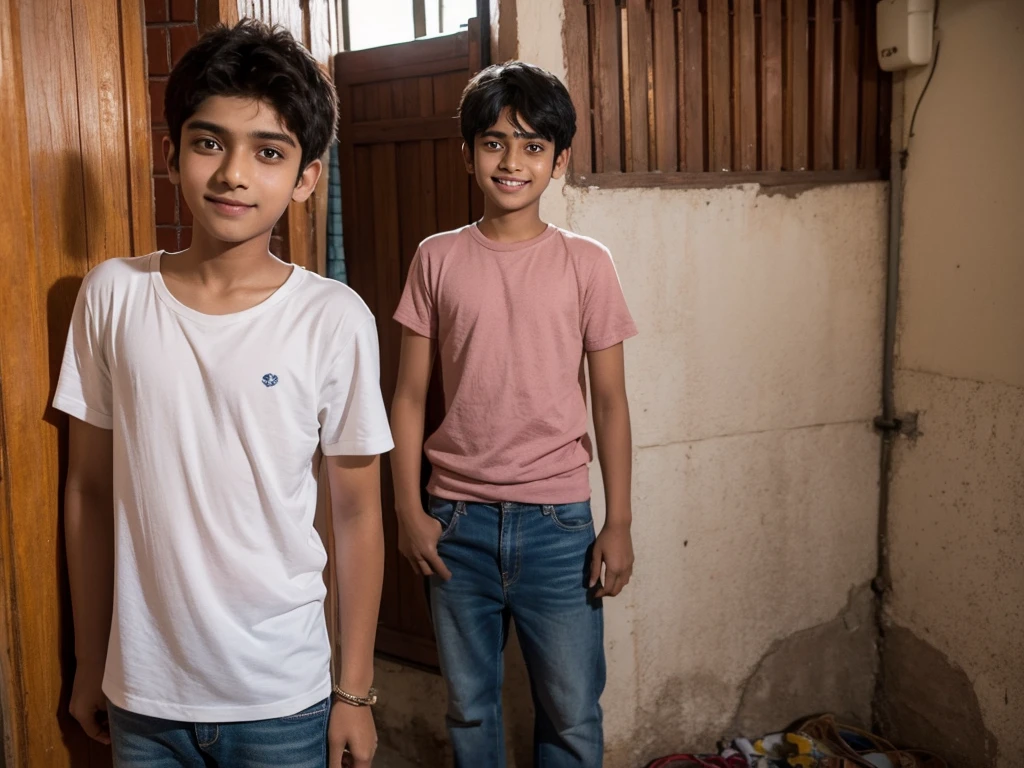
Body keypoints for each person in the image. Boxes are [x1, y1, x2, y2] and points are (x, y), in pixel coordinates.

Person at [55, 20, 392, 768]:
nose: (234, 172)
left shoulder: (333, 318)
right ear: (171, 152)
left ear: (305, 178)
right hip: (143, 695)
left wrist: (355, 691)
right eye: (210, 142)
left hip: (284, 696)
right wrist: (87, 662)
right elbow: (85, 489)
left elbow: (358, 512)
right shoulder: (113, 294)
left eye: (268, 152)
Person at [390, 61, 638, 767]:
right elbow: (408, 396)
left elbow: (612, 403)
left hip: (559, 526)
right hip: (455, 523)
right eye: (495, 141)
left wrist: (616, 522)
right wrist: (409, 510)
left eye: (533, 145)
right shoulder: (435, 258)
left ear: (559, 161)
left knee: (571, 715)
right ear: (467, 152)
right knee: (470, 710)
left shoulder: (587, 262)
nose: (512, 160)